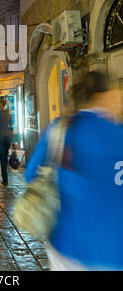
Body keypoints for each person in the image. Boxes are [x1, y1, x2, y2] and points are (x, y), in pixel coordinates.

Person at [25, 70, 123, 271]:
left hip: (67, 246)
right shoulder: (118, 134)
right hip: (115, 252)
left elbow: (31, 174)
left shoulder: (60, 131)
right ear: (103, 96)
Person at [0, 97, 15, 186]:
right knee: (5, 157)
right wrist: (13, 141)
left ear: (1, 104)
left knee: (2, 159)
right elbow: (11, 128)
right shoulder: (8, 114)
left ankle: (5, 180)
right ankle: (6, 174)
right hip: (8, 138)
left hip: (1, 138)